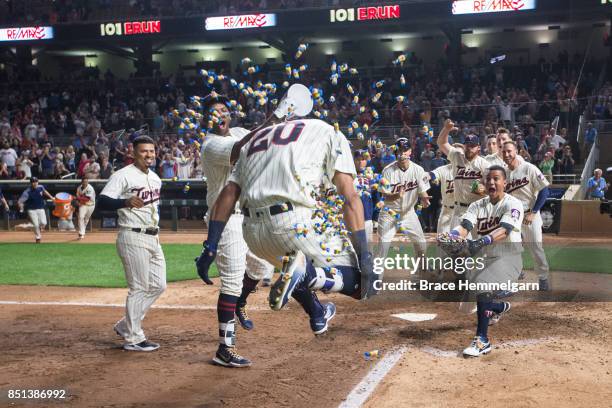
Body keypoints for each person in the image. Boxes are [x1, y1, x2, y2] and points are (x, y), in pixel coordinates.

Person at [196, 116, 373, 367]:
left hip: (253, 232)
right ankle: (311, 277)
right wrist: (365, 255)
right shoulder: (329, 132)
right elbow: (351, 198)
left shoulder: (255, 138)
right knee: (360, 284)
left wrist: (210, 244)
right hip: (293, 222)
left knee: (290, 267)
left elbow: (229, 192)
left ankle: (316, 308)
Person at [198, 93, 274, 368]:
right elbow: (238, 150)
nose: (219, 115)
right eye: (213, 113)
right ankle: (225, 348)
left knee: (263, 265)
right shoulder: (211, 145)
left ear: (230, 114)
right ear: (205, 120)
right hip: (225, 218)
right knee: (230, 280)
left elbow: (261, 141)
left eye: (223, 110)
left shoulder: (241, 130)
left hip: (249, 214)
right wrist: (273, 119)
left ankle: (240, 302)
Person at [445, 165, 524, 357]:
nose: (491, 182)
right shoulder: (476, 206)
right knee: (466, 308)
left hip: (509, 258)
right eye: (488, 179)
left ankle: (482, 340)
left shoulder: (513, 204)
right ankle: (498, 307)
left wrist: (480, 241)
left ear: (505, 182)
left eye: (496, 178)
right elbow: (465, 227)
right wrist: (453, 235)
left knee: (483, 286)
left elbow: (504, 231)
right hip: (483, 261)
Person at [98, 136, 166, 352]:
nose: (149, 155)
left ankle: (126, 325)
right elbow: (103, 201)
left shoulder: (155, 178)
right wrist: (125, 202)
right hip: (132, 235)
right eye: (144, 151)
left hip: (153, 237)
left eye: (152, 151)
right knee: (138, 287)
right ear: (134, 153)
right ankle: (134, 338)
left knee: (158, 285)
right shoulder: (123, 175)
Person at [502, 141, 551, 290]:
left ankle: (543, 278)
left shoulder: (528, 168)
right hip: (512, 216)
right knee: (510, 248)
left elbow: (544, 191)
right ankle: (513, 276)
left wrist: (534, 212)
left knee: (536, 247)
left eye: (509, 151)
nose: (507, 154)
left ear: (516, 151)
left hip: (530, 213)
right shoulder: (504, 173)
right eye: (504, 152)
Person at [377, 138, 430, 261]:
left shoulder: (418, 170)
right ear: (396, 152)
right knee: (382, 248)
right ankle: (376, 279)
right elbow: (385, 197)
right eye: (399, 150)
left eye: (405, 150)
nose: (402, 154)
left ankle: (420, 274)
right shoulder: (387, 171)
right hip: (389, 214)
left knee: (421, 245)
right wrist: (397, 195)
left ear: (410, 151)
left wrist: (424, 199)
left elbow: (422, 191)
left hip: (408, 214)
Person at [436, 119, 490, 231]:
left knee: (477, 245)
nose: (469, 148)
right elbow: (441, 143)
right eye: (467, 145)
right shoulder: (457, 156)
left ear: (478, 148)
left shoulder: (485, 165)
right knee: (455, 245)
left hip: (478, 209)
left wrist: (484, 190)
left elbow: (494, 188)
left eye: (473, 146)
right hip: (458, 210)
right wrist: (446, 129)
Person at [17, 177, 54, 243]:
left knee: (44, 223)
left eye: (36, 181)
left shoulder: (40, 187)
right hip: (31, 210)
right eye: (33, 182)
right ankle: (38, 237)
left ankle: (32, 226)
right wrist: (21, 208)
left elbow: (45, 191)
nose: (35, 183)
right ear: (31, 183)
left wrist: (51, 197)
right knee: (36, 225)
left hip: (40, 208)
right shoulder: (27, 192)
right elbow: (20, 201)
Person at [428, 163, 454, 233]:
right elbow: (432, 173)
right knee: (442, 238)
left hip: (461, 211)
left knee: (459, 240)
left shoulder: (467, 170)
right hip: (446, 209)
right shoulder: (445, 169)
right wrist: (433, 178)